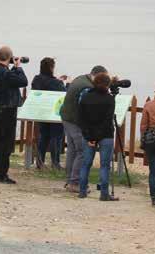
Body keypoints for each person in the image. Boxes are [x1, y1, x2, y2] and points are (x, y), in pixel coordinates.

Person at [60, 65, 108, 193]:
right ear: (98, 76)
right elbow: (86, 108)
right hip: (75, 121)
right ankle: (74, 182)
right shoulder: (87, 87)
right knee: (82, 150)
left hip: (66, 117)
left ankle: (69, 179)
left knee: (72, 150)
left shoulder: (80, 78)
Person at [0, 45, 28, 184]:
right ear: (9, 57)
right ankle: (0, 173)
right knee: (6, 142)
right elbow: (23, 81)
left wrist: (13, 68)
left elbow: (9, 81)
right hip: (7, 109)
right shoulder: (5, 72)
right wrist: (18, 67)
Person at [77, 72, 118, 201]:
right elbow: (107, 120)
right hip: (106, 135)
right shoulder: (109, 99)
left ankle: (82, 191)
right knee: (105, 165)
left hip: (88, 135)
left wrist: (90, 137)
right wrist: (97, 136)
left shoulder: (85, 97)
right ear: (107, 85)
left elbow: (81, 119)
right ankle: (104, 193)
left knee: (86, 164)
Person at [31, 57, 67, 169]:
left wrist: (58, 80)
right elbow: (63, 93)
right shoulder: (56, 83)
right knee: (56, 137)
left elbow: (45, 84)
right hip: (54, 113)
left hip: (42, 112)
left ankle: (40, 161)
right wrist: (66, 83)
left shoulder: (36, 80)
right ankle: (55, 162)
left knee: (44, 136)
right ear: (52, 67)